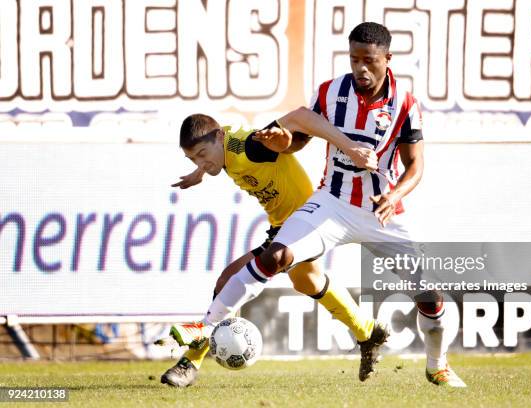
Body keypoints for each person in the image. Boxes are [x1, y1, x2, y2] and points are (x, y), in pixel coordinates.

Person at [182, 22, 466, 387]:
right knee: (276, 256)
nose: (360, 68)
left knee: (430, 295)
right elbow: (298, 140)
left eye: (369, 60)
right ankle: (202, 329)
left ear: (388, 59)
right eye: (354, 59)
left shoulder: (406, 105)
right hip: (332, 202)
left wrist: (394, 196)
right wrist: (282, 141)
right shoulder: (331, 93)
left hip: (382, 212)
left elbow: (416, 166)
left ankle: (436, 364)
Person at [161, 108, 389, 387]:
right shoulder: (223, 145)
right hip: (286, 225)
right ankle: (368, 332)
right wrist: (200, 170)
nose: (201, 162)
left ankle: (190, 364)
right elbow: (216, 151)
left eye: (202, 155)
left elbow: (302, 117)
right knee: (308, 282)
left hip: (305, 222)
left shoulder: (251, 147)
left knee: (227, 281)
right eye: (193, 158)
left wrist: (349, 147)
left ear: (219, 137)